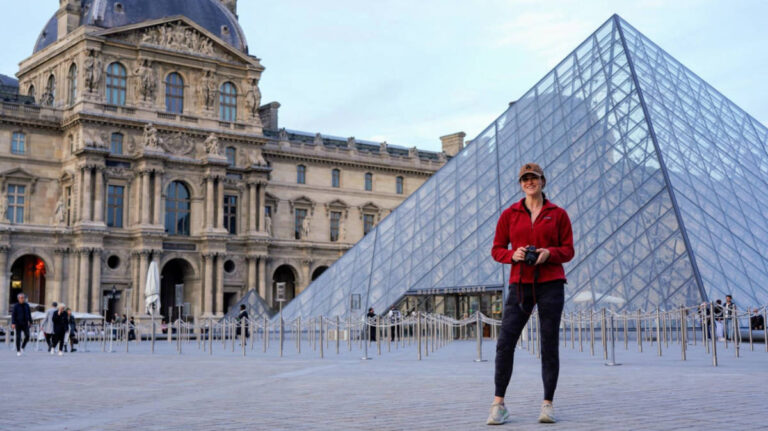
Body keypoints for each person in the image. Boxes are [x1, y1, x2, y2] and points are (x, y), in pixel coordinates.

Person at [487, 163, 574, 425]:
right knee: (504, 344)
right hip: (520, 283)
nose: (529, 182)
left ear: (542, 181)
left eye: (533, 178)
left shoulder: (558, 214)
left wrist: (549, 253)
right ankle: (498, 404)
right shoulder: (509, 214)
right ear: (520, 183)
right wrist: (512, 255)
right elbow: (497, 249)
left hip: (551, 284)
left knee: (549, 345)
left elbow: (568, 250)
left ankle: (548, 404)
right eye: (525, 179)